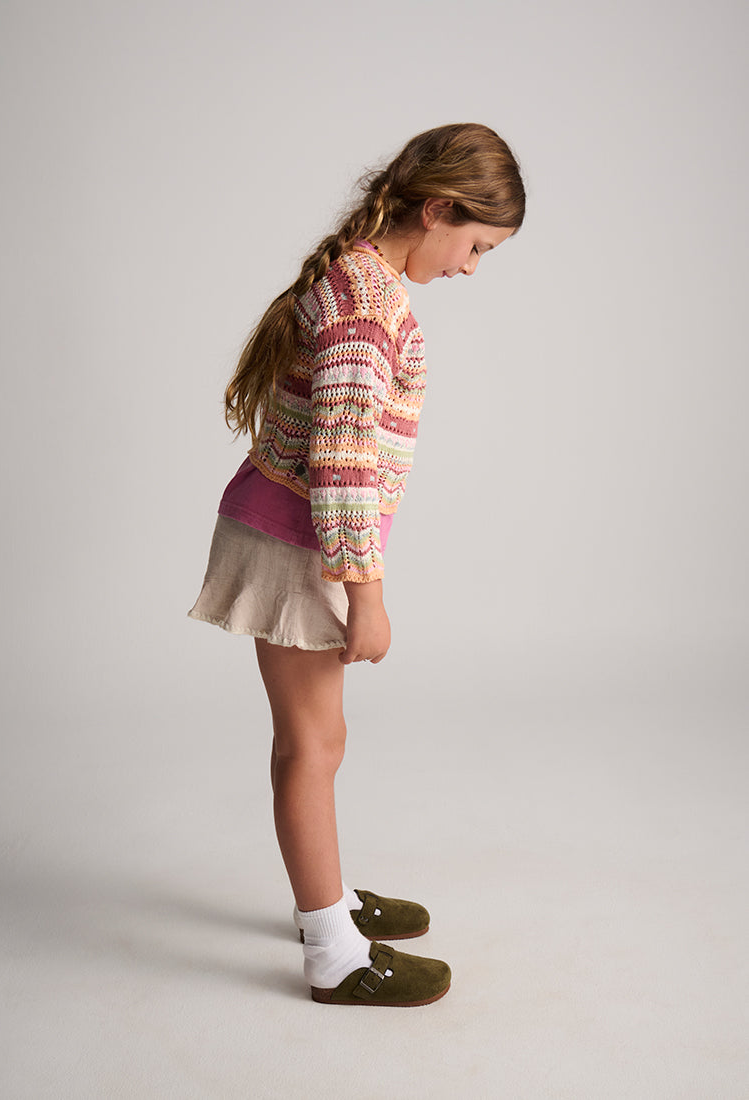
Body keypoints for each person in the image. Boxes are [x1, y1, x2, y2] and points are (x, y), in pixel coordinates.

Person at [188, 122, 525, 1006]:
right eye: (477, 246)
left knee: (317, 740)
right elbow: (341, 462)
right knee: (312, 743)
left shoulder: (359, 278)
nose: (471, 268)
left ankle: (327, 899)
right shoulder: (367, 303)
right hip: (296, 542)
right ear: (437, 209)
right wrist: (368, 597)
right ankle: (333, 954)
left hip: (295, 534)